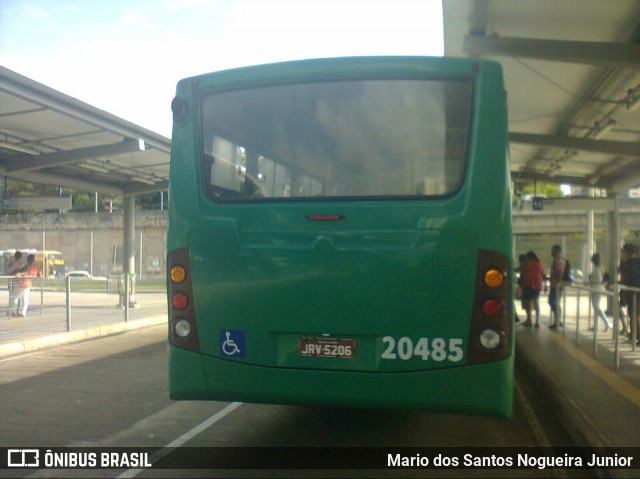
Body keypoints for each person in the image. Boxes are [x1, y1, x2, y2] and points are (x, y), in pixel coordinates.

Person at [619, 243, 640, 345]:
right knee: (638, 315)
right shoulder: (638, 261)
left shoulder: (625, 263)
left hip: (632, 293)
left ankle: (633, 336)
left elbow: (623, 277)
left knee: (633, 314)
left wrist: (621, 260)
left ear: (626, 252)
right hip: (638, 291)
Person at [588, 253, 612, 332]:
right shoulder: (598, 268)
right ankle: (596, 325)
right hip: (595, 289)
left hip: (597, 289)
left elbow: (597, 280)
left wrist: (590, 278)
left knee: (596, 307)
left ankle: (606, 322)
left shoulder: (597, 269)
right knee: (596, 307)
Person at [521, 251, 544, 328]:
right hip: (537, 285)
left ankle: (529, 320)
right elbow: (542, 273)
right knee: (536, 302)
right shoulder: (539, 263)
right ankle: (537, 321)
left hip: (528, 285)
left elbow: (522, 271)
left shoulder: (526, 263)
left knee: (527, 303)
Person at [549, 244, 566, 330]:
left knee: (554, 302)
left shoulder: (559, 261)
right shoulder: (556, 260)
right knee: (553, 302)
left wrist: (557, 283)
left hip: (557, 286)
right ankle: (557, 320)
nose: (551, 252)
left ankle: (558, 321)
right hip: (555, 285)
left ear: (557, 251)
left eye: (552, 250)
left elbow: (560, 272)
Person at [5, 251, 25, 316]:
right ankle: (15, 310)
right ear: (21, 256)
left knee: (12, 296)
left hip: (12, 280)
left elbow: (8, 271)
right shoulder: (22, 263)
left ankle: (12, 311)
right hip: (18, 281)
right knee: (17, 297)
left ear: (15, 256)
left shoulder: (12, 263)